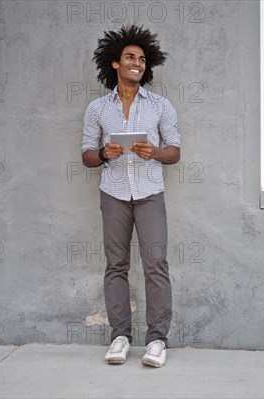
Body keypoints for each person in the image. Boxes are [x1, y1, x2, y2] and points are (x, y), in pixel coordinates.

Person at [81, 25, 181, 368]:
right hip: (114, 194)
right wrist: (105, 154)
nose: (136, 63)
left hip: (150, 193)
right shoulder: (97, 109)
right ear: (115, 64)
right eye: (129, 58)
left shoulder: (160, 106)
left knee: (156, 265)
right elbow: (86, 156)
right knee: (116, 266)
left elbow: (175, 152)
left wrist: (152, 151)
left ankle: (157, 340)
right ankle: (120, 337)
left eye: (141, 59)